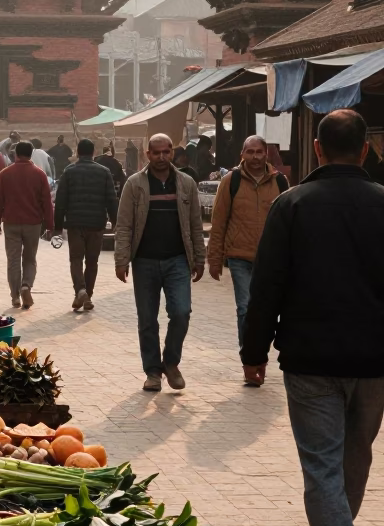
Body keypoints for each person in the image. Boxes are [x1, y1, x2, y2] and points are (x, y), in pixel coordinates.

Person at [242, 109, 384, 526]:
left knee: (323, 465)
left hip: (310, 359)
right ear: (364, 150)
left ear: (318, 150)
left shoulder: (292, 204)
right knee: (354, 458)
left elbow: (267, 289)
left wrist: (253, 353)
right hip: (373, 361)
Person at [114, 133, 205, 393]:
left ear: (172, 153)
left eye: (166, 152)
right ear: (147, 155)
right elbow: (124, 226)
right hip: (144, 261)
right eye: (156, 153)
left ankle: (171, 362)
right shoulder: (135, 184)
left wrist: (199, 258)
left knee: (181, 312)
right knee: (147, 320)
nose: (162, 157)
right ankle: (153, 372)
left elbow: (196, 225)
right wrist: (122, 261)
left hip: (178, 261)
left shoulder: (186, 183)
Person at [207, 135, 288, 352]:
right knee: (245, 307)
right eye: (250, 152)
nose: (255, 157)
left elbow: (289, 223)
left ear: (266, 154)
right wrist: (214, 259)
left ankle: (259, 352)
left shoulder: (280, 182)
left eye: (259, 152)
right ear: (242, 154)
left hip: (270, 259)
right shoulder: (230, 181)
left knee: (268, 310)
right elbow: (219, 221)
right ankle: (249, 356)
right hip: (239, 256)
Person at [53, 139, 117, 312]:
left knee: (76, 259)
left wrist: (57, 228)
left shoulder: (69, 171)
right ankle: (87, 293)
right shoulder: (104, 172)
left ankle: (80, 291)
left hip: (75, 223)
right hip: (96, 223)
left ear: (78, 153)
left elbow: (60, 202)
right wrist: (116, 222)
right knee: (92, 261)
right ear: (94, 152)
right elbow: (112, 199)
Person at [0, 140, 54, 309]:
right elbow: (46, 202)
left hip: (11, 222)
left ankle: (15, 296)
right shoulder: (39, 174)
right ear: (31, 154)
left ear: (16, 154)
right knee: (29, 258)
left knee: (13, 260)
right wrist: (50, 224)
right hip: (33, 223)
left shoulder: (5, 173)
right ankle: (26, 285)